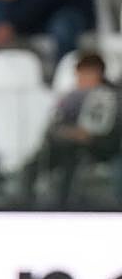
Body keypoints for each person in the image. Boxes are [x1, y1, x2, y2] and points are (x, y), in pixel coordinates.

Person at [22, 52, 121, 204]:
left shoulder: (109, 95)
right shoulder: (72, 96)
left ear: (96, 73)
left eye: (83, 73)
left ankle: (65, 205)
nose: (79, 78)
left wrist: (79, 134)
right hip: (68, 144)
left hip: (101, 146)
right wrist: (70, 133)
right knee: (35, 162)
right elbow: (55, 124)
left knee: (70, 159)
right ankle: (26, 204)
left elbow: (98, 130)